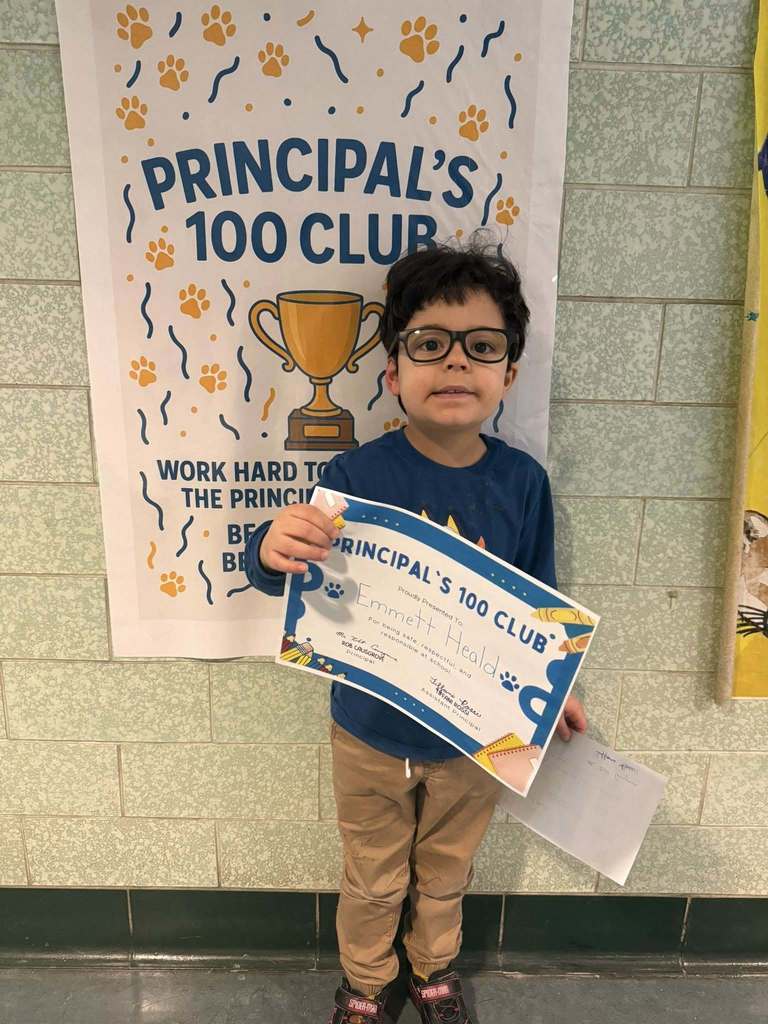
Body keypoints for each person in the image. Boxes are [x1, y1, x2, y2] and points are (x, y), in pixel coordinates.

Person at [244, 235, 587, 1024]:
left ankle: (433, 972)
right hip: (368, 729)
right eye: (431, 345)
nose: (457, 363)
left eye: (482, 347)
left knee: (446, 869)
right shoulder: (353, 476)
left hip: (476, 735)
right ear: (393, 372)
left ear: (508, 371)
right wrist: (270, 548)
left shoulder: (522, 482)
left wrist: (556, 684)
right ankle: (365, 983)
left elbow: (543, 601)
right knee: (373, 873)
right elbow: (291, 573)